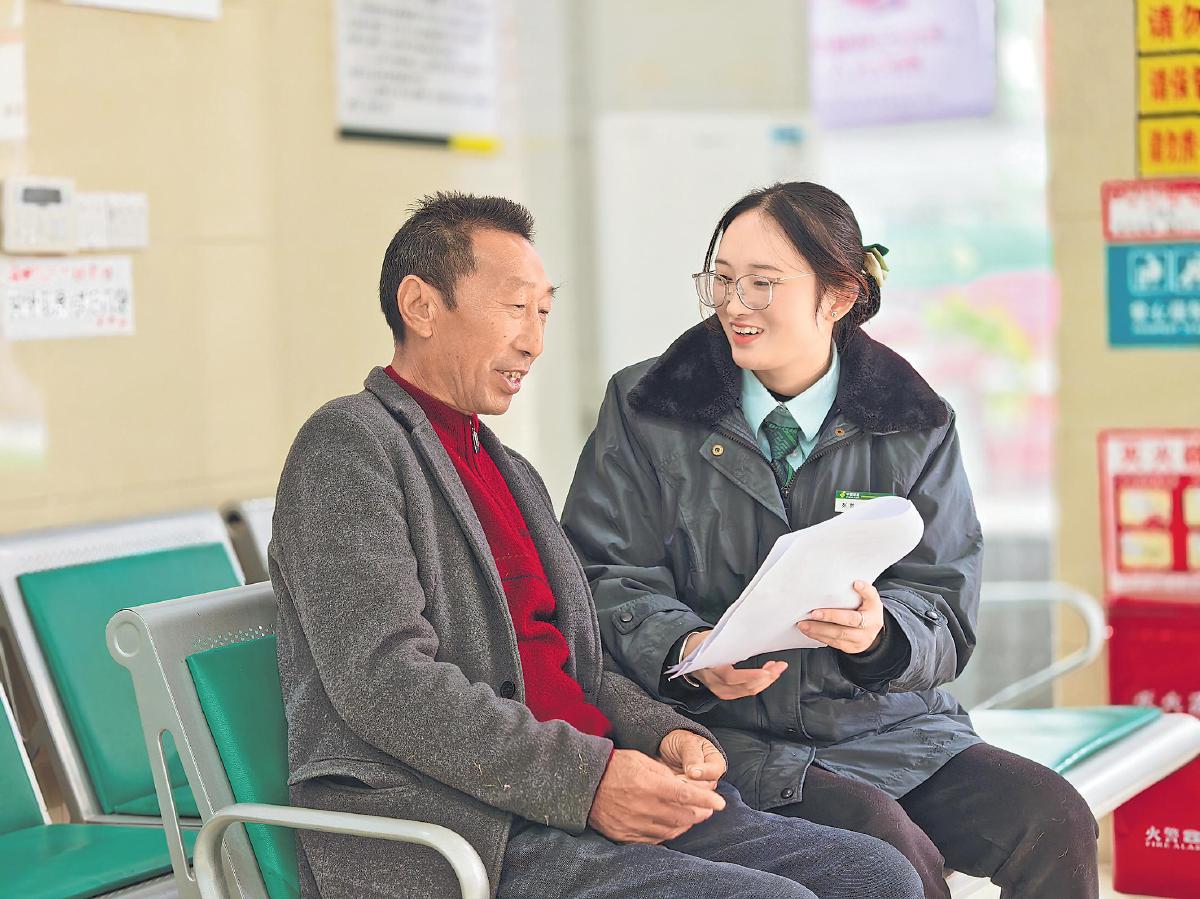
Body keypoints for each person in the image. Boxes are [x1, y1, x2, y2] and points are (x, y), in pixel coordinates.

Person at [269, 191, 923, 899]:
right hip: (471, 828)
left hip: (577, 797)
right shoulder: (350, 444)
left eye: (543, 312)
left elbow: (574, 666)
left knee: (876, 874)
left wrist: (665, 733)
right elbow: (386, 682)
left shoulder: (510, 470)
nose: (533, 341)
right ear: (421, 305)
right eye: (514, 308)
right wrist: (589, 782)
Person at [562, 181, 1099, 899]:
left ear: (839, 294)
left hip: (893, 730)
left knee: (1053, 817)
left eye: (763, 283)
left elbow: (944, 603)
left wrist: (881, 634)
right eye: (722, 280)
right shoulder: (646, 408)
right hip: (729, 737)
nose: (734, 305)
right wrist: (687, 650)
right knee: (889, 849)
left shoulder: (914, 419)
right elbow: (598, 575)